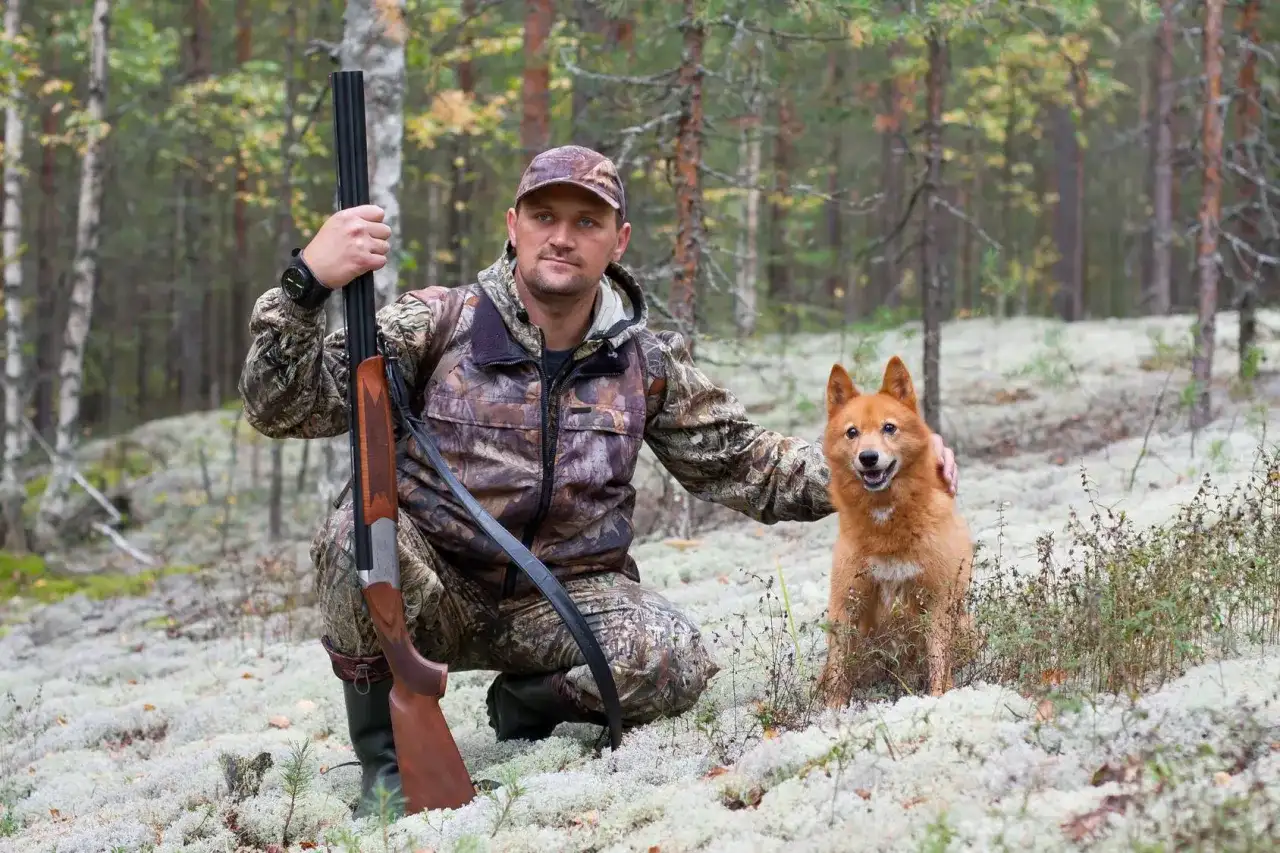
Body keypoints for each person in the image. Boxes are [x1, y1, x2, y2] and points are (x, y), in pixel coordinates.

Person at [238, 145, 959, 817]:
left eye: (587, 221)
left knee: (672, 659)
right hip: (438, 590)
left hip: (566, 601)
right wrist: (306, 284)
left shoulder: (643, 362)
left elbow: (746, 460)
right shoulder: (436, 323)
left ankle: (528, 703)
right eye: (545, 217)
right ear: (512, 227)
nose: (562, 237)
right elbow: (280, 403)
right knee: (357, 535)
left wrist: (901, 462)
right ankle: (386, 766)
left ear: (617, 241)